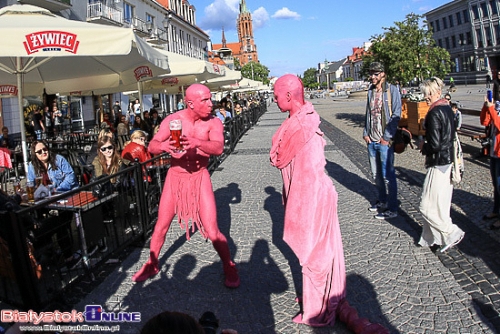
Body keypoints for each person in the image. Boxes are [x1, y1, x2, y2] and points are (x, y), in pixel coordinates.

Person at [270, 74, 386, 331]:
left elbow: (309, 176)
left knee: (315, 253)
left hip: (311, 199)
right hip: (305, 195)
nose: (274, 98)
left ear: (289, 96)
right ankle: (318, 297)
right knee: (316, 253)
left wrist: (300, 214)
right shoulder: (297, 121)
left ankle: (320, 308)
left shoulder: (304, 127)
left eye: (276, 94)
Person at [131, 83, 240, 288]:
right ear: (190, 103)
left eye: (210, 98)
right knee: (161, 226)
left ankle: (229, 265)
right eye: (205, 100)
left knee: (212, 230)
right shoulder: (173, 120)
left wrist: (197, 143)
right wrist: (163, 146)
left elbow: (217, 148)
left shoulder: (213, 122)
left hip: (200, 177)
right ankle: (152, 263)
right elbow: (153, 145)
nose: (211, 103)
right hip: (176, 177)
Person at [418, 77, 465, 252]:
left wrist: (424, 145)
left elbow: (436, 144)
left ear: (437, 92)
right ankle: (433, 238)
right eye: (424, 93)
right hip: (448, 161)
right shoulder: (446, 107)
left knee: (427, 205)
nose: (425, 97)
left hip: (438, 162)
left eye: (428, 93)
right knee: (441, 204)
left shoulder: (434, 112)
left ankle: (451, 232)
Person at [363, 62, 401, 219]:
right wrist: (365, 133)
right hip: (371, 140)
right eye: (371, 73)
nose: (372, 77)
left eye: (375, 74)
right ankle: (382, 200)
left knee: (388, 175)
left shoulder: (391, 90)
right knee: (376, 174)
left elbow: (396, 114)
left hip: (384, 142)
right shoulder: (371, 91)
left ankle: (392, 207)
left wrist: (386, 138)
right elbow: (368, 113)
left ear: (383, 74)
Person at [480, 99, 500, 229]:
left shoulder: (495, 108)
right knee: (496, 184)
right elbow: (484, 121)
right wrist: (486, 108)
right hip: (493, 151)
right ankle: (496, 211)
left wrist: (492, 109)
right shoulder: (497, 106)